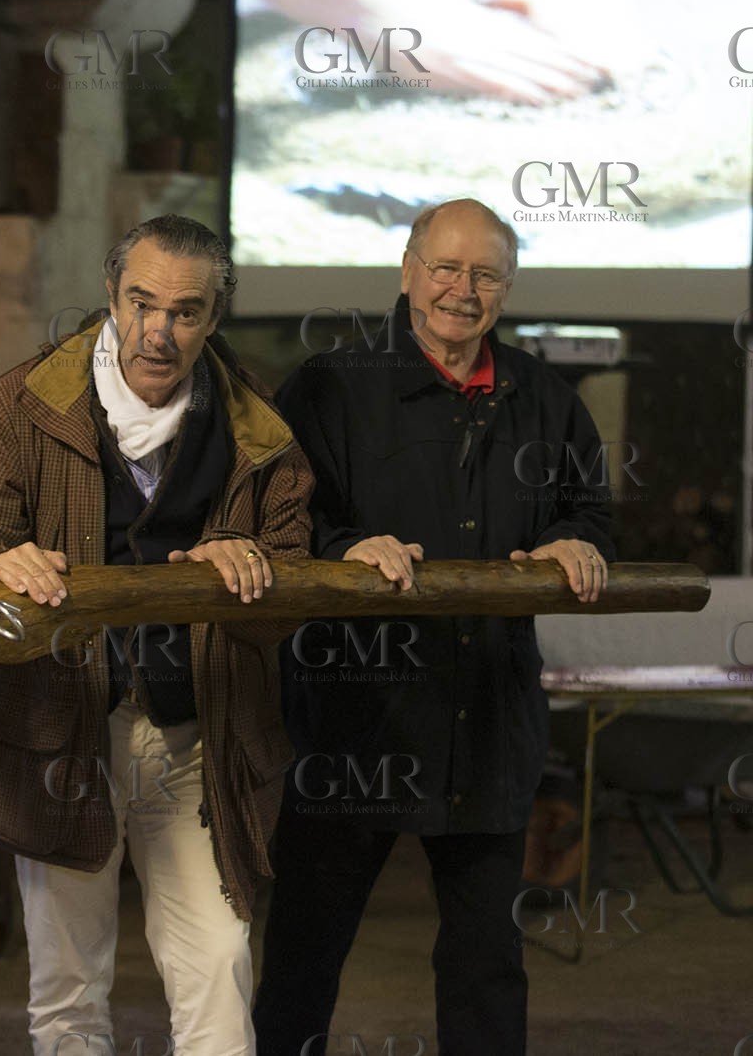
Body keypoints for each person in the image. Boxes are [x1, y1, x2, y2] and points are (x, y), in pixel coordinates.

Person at [0, 215, 315, 1055]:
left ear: (212, 318)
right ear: (109, 295)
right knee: (67, 985)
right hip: (57, 727)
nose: (157, 332)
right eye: (141, 303)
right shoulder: (22, 402)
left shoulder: (256, 424)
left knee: (219, 962)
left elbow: (292, 574)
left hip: (197, 728)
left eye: (184, 312)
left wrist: (250, 563)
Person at [250, 199, 615, 1056]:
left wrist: (577, 539)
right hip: (353, 723)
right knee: (305, 951)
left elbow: (591, 512)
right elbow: (279, 516)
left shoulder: (546, 400)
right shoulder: (329, 386)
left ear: (508, 288)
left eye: (485, 273)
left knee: (488, 963)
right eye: (446, 268)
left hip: (488, 721)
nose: (463, 289)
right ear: (408, 272)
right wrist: (344, 546)